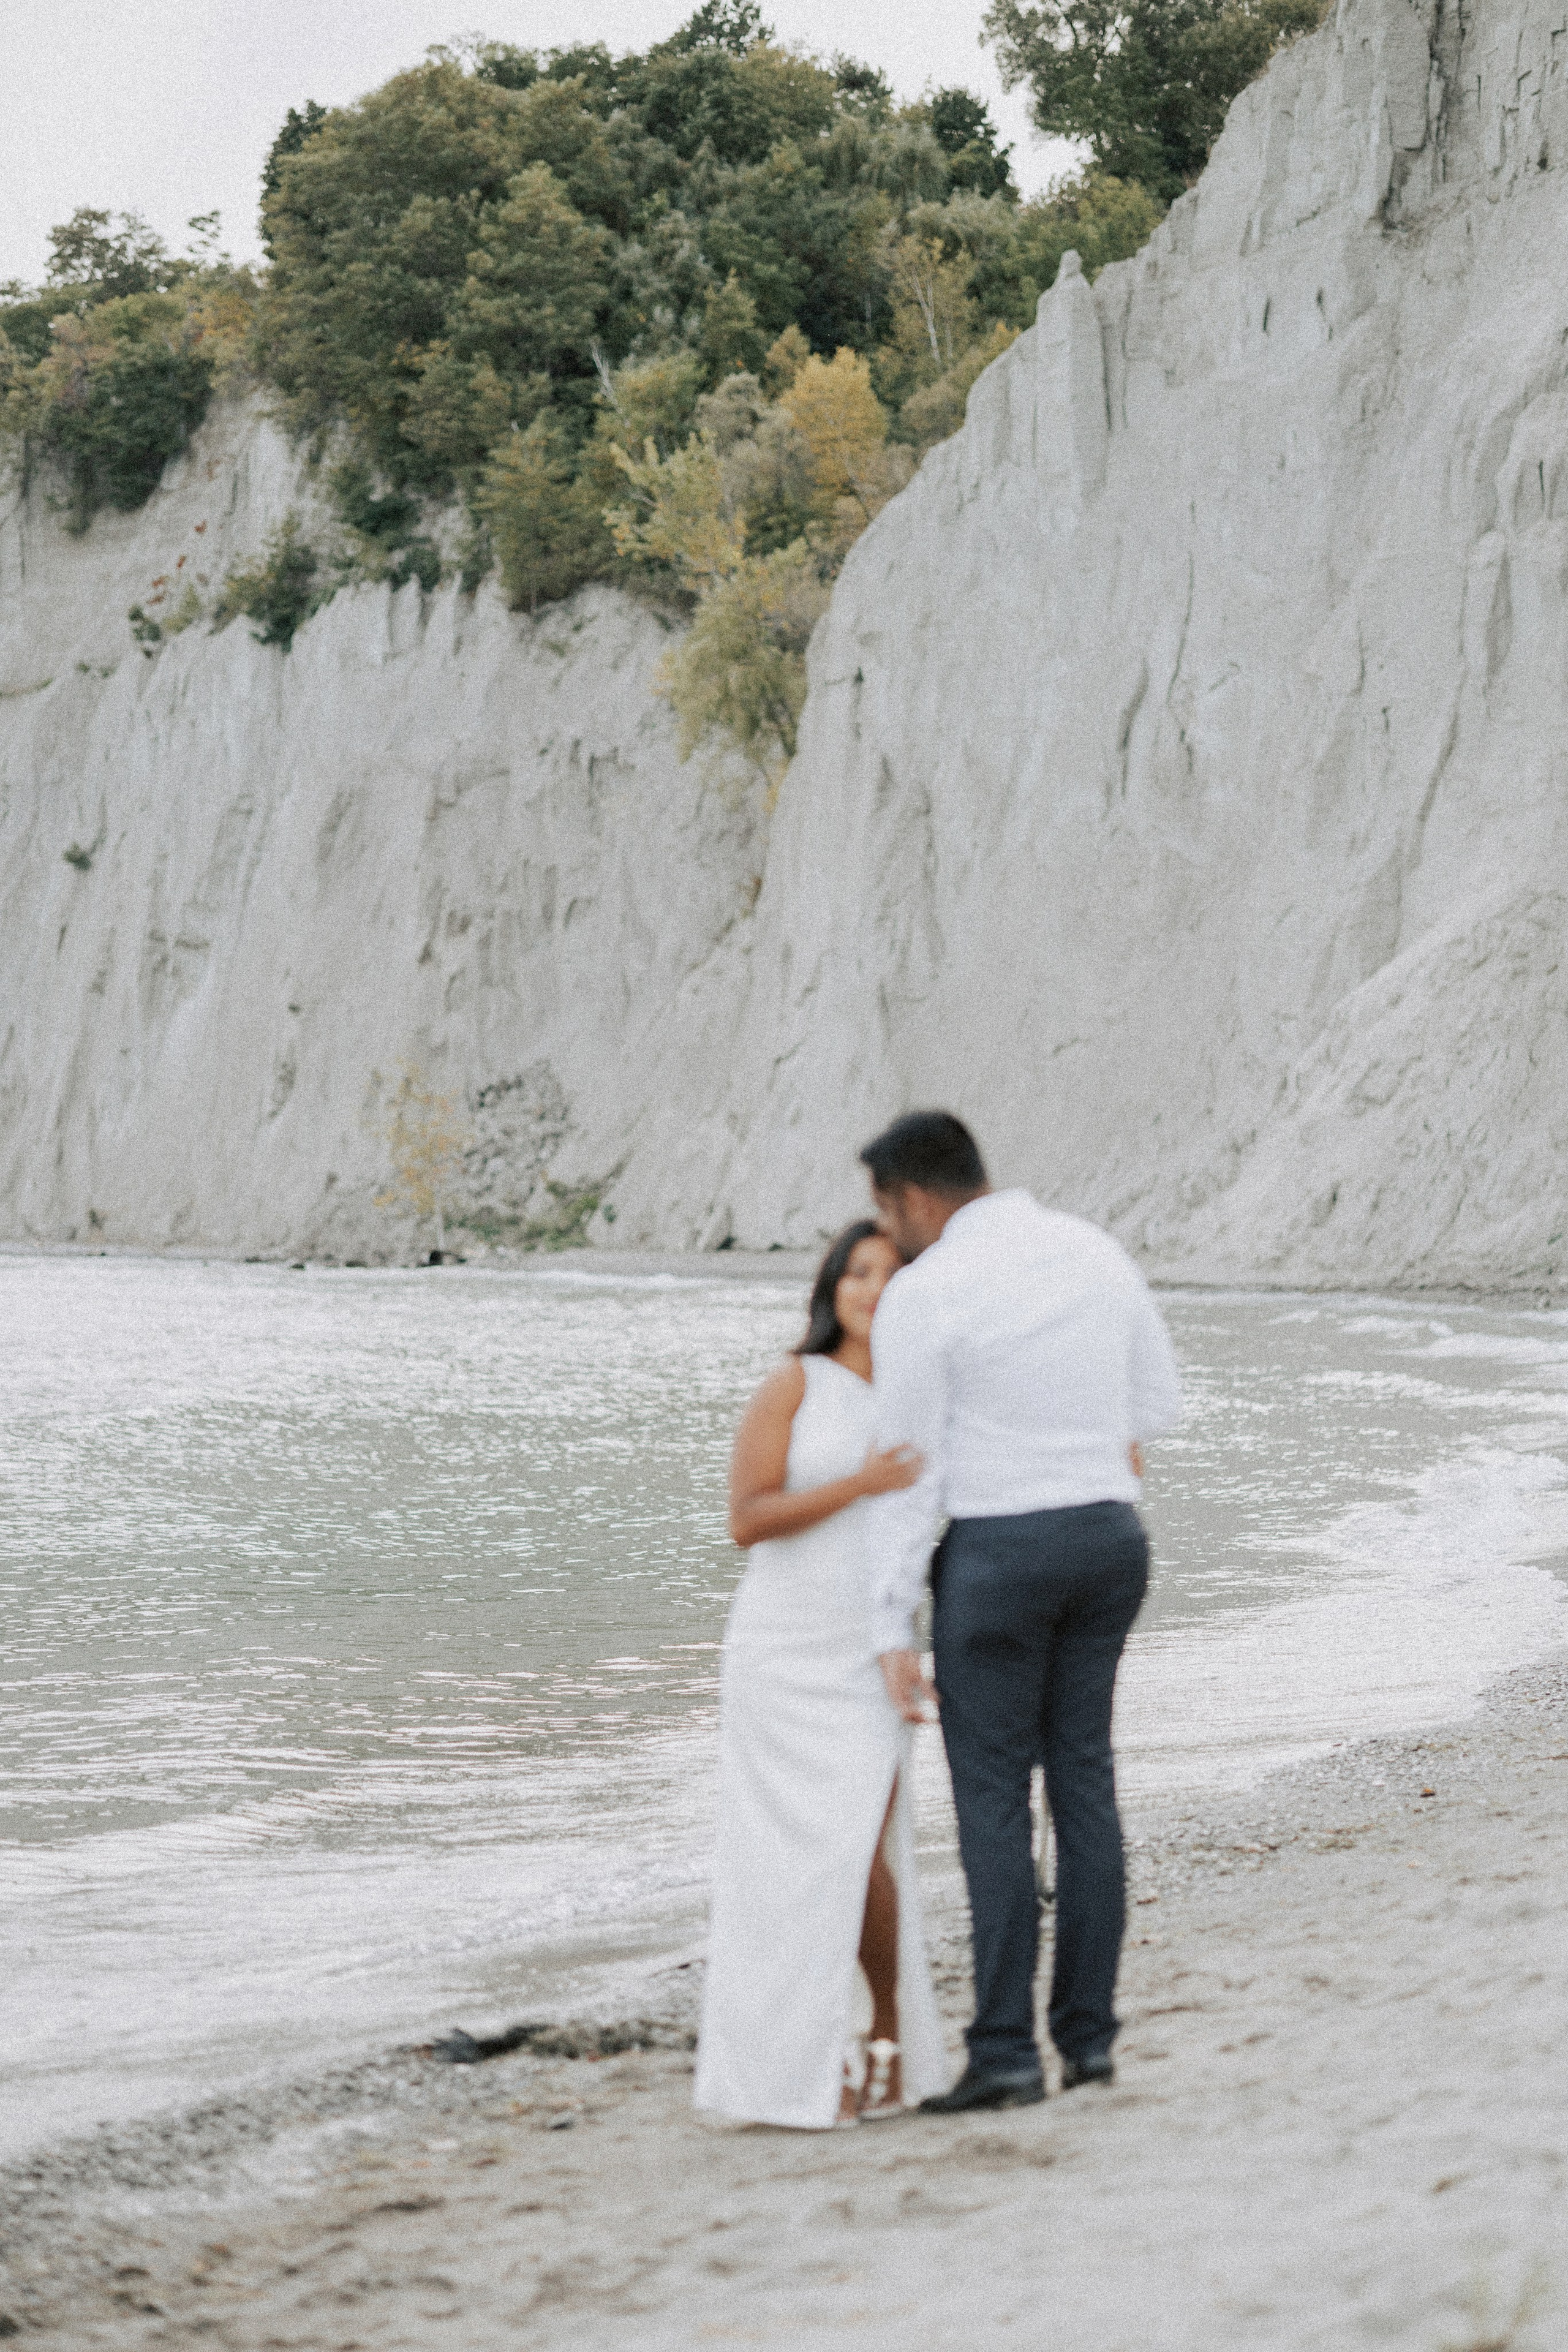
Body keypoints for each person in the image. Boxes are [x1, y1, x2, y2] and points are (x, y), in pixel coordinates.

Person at [864, 1111, 1182, 2111]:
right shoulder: (1095, 1251)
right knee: (1085, 1783)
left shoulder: (926, 1290)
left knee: (993, 1799)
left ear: (912, 1197)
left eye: (886, 1209)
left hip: (999, 1553)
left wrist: (889, 1625)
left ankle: (1004, 2051)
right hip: (1107, 1540)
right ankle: (1089, 2041)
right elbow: (1157, 1407)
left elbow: (914, 1474)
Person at [695, 1222, 949, 2128]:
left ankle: (882, 2038)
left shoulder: (923, 1396)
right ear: (832, 1285)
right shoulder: (795, 1382)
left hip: (870, 1649)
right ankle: (798, 2063)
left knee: (863, 1851)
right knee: (788, 1867)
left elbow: (928, 1529)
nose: (873, 1289)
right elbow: (746, 1519)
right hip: (781, 1650)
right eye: (859, 1272)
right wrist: (860, 1482)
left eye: (891, 1275)